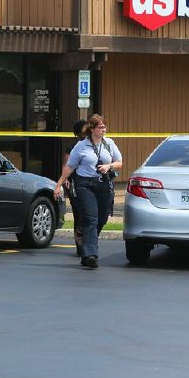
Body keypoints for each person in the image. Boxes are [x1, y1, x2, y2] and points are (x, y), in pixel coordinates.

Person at [54, 114, 122, 269]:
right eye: (100, 127)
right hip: (85, 185)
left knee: (102, 218)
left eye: (104, 126)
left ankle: (86, 246)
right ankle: (91, 255)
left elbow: (119, 162)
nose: (103, 129)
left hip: (103, 184)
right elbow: (70, 166)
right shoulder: (81, 146)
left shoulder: (109, 144)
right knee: (91, 218)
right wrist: (59, 184)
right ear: (92, 129)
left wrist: (109, 166)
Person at [61, 119, 88, 255]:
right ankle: (81, 245)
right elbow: (66, 165)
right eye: (84, 131)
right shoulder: (72, 148)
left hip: (91, 185)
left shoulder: (94, 145)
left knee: (91, 215)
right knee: (79, 215)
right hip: (75, 185)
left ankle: (87, 242)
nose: (87, 134)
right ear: (77, 133)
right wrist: (65, 179)